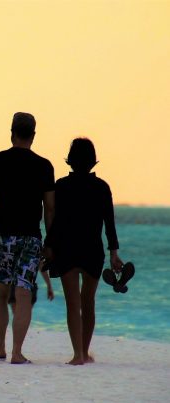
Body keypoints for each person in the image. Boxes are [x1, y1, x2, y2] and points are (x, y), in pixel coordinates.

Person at [0, 112, 55, 364]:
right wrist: (51, 242)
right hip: (30, 238)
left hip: (1, 236)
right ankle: (17, 353)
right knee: (23, 293)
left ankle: (0, 347)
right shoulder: (44, 166)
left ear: (12, 133)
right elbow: (50, 208)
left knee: (0, 292)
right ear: (33, 135)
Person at [44, 137, 123, 365]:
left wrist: (48, 245)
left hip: (67, 250)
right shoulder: (102, 187)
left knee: (73, 304)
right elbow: (110, 224)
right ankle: (85, 353)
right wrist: (114, 253)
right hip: (92, 251)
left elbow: (56, 221)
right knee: (88, 302)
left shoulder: (62, 186)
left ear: (70, 160)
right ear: (93, 161)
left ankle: (77, 354)